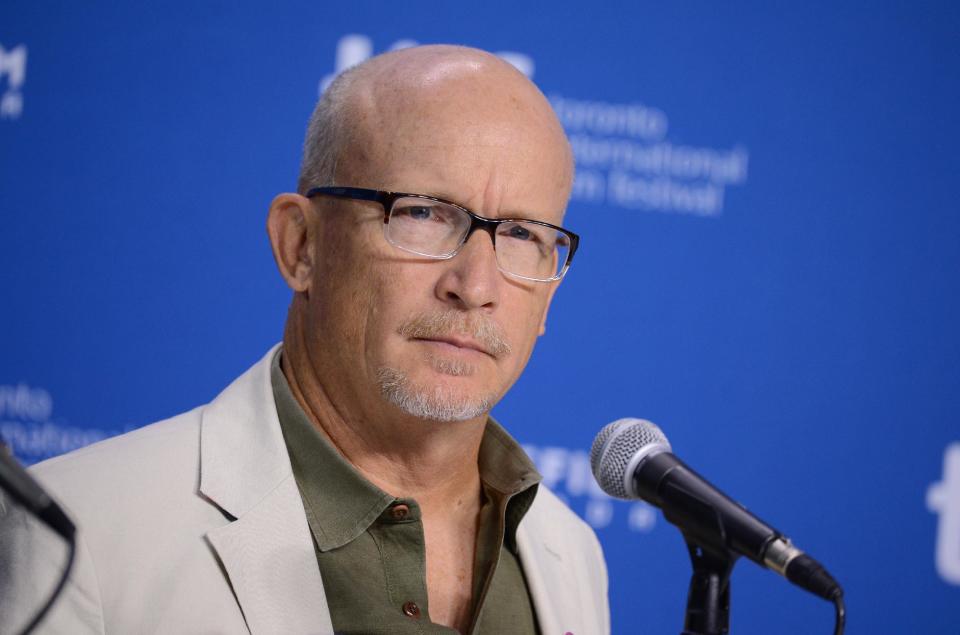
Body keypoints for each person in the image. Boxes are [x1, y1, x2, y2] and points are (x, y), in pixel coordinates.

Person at [0, 45, 609, 634]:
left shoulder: (569, 556)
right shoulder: (81, 535)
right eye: (423, 213)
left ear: (549, 293)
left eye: (523, 235)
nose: (475, 285)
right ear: (301, 246)